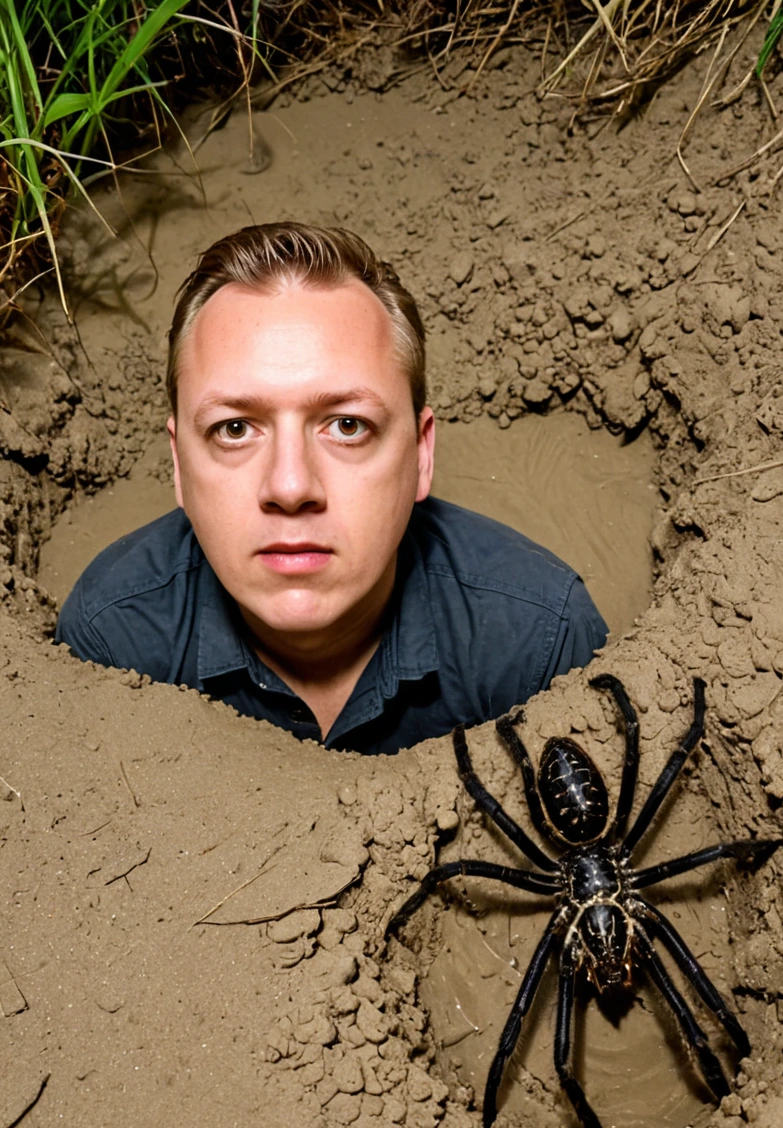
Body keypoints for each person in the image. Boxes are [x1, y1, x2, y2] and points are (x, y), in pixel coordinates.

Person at [56, 222, 607, 755]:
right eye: (234, 429)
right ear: (178, 462)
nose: (291, 486)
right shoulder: (111, 644)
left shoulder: (540, 642)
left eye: (347, 425)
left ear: (421, 452)